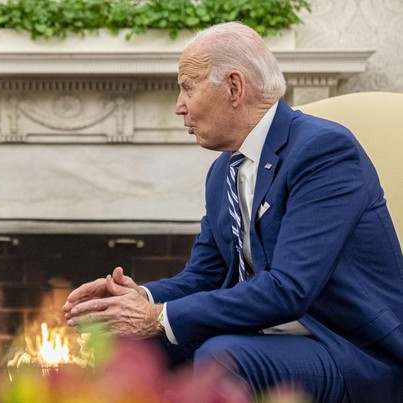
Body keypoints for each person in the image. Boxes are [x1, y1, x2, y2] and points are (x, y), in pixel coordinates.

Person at [63, 22, 403, 402]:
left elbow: (289, 289)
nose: (179, 106)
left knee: (221, 358)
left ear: (234, 88)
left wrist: (158, 317)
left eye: (188, 87)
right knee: (129, 348)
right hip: (265, 339)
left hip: (349, 349)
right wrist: (136, 299)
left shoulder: (323, 151)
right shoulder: (224, 170)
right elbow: (205, 276)